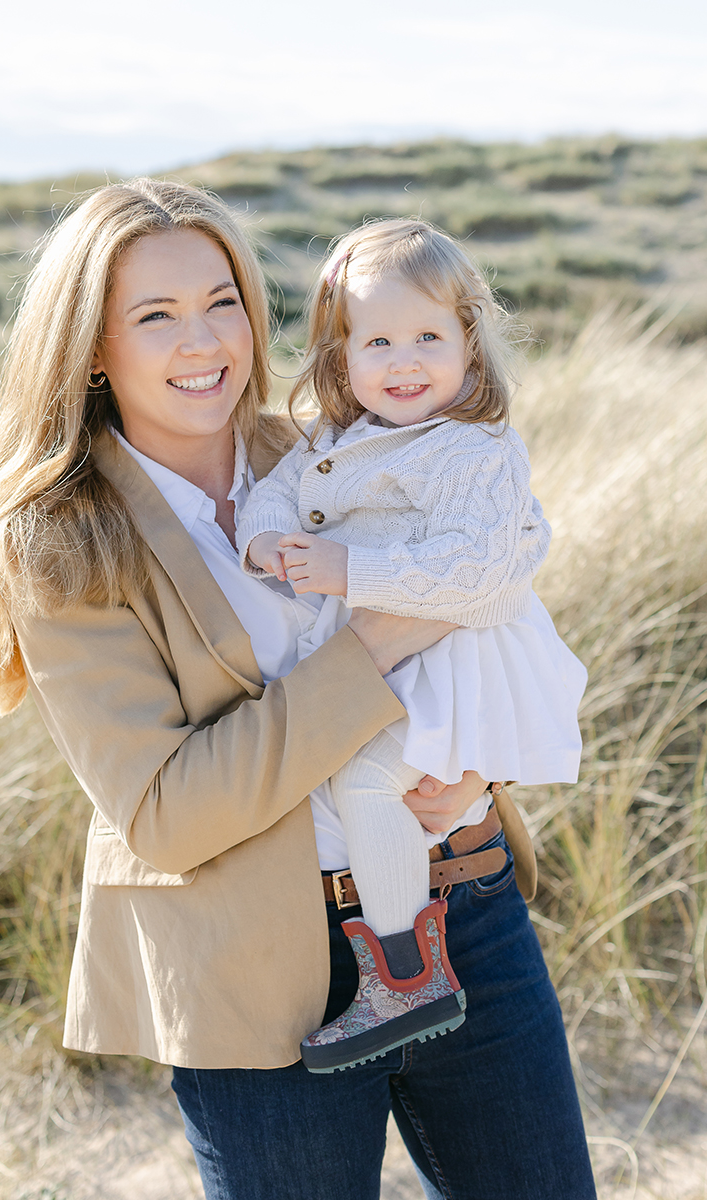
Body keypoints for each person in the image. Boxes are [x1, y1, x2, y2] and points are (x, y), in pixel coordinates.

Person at [0, 178, 596, 1200]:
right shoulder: (63, 545)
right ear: (92, 348)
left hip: (462, 908)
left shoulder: (325, 452)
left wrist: (466, 773)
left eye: (222, 302)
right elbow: (165, 813)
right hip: (259, 971)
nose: (204, 341)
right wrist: (376, 637)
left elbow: (505, 545)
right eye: (154, 317)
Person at [237, 218, 588, 1073]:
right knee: (372, 779)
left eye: (429, 336)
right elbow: (274, 499)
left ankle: (404, 977)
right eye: (378, 340)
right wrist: (263, 543)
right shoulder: (334, 438)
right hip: (389, 667)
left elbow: (477, 571)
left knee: (369, 778)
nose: (404, 362)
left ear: (470, 342)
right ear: (341, 356)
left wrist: (347, 568)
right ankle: (403, 971)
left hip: (459, 665)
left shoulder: (473, 448)